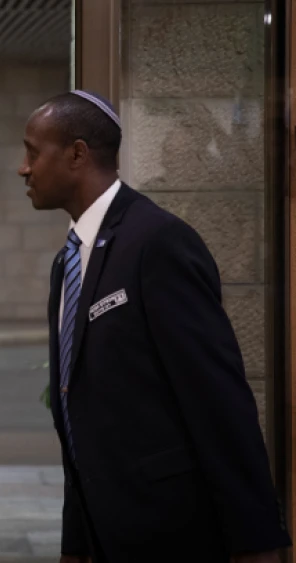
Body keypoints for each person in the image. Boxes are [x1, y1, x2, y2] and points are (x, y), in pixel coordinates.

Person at [18, 90, 291, 563]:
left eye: (32, 152)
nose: (23, 168)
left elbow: (218, 399)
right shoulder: (68, 261)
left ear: (77, 154)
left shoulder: (157, 242)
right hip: (104, 532)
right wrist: (76, 543)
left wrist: (258, 540)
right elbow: (77, 410)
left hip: (170, 530)